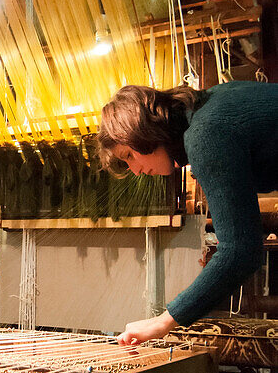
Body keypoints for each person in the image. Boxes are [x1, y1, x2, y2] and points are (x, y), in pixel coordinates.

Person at [98, 80, 278, 346]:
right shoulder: (213, 102)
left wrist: (164, 321)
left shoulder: (205, 133)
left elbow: (240, 252)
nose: (135, 170)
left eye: (129, 155)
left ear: (140, 132)